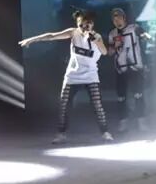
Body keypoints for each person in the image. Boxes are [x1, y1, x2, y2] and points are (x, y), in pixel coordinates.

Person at [19, 10, 113, 144]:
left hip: (90, 75)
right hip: (72, 75)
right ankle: (61, 133)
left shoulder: (97, 36)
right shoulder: (73, 32)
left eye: (86, 24)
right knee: (64, 105)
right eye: (80, 24)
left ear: (91, 24)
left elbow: (104, 52)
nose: (83, 27)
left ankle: (105, 132)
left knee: (97, 105)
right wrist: (32, 39)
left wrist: (96, 41)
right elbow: (52, 36)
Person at [108, 8, 151, 133]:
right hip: (121, 68)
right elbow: (109, 52)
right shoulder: (112, 34)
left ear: (124, 18)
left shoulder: (133, 28)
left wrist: (145, 36)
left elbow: (145, 35)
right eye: (114, 19)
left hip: (135, 67)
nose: (117, 21)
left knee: (138, 95)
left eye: (119, 18)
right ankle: (123, 122)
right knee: (121, 97)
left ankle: (142, 122)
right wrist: (114, 46)